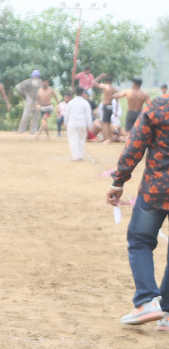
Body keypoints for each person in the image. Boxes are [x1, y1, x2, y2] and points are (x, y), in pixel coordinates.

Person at [107, 93, 169, 330]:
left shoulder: (159, 105)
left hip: (156, 189)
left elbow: (135, 145)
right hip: (156, 189)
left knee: (140, 241)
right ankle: (167, 312)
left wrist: (118, 181)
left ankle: (146, 300)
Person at [65, 86, 93, 160]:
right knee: (81, 140)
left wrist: (65, 123)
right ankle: (80, 155)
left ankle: (75, 156)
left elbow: (66, 114)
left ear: (75, 93)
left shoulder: (71, 102)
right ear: (83, 93)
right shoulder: (85, 103)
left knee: (73, 140)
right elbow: (88, 115)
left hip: (72, 124)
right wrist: (89, 125)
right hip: (82, 124)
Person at [15, 70, 41, 135]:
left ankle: (33, 131)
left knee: (36, 116)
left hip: (37, 100)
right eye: (35, 76)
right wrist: (24, 94)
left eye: (37, 76)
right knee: (25, 115)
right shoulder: (27, 82)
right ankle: (21, 130)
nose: (36, 77)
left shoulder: (40, 82)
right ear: (32, 76)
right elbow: (18, 87)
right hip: (29, 98)